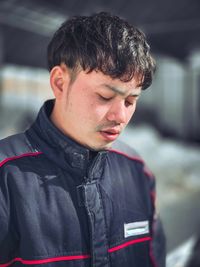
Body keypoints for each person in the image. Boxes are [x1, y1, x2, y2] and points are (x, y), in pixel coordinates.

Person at [0, 12, 166, 267]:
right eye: (104, 96)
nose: (120, 116)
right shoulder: (6, 176)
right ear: (59, 82)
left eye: (130, 101)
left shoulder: (136, 171)